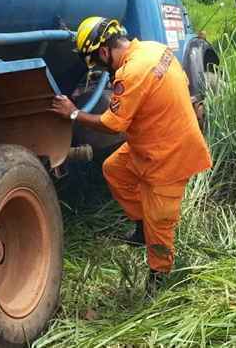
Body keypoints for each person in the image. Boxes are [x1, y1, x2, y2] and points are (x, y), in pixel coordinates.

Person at [49, 17, 212, 294]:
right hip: (149, 142)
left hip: (169, 154)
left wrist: (74, 113)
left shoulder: (131, 72)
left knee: (160, 222)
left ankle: (158, 280)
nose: (102, 70)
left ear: (103, 52)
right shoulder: (154, 48)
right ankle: (141, 229)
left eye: (98, 64)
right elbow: (183, 82)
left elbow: (114, 124)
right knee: (115, 169)